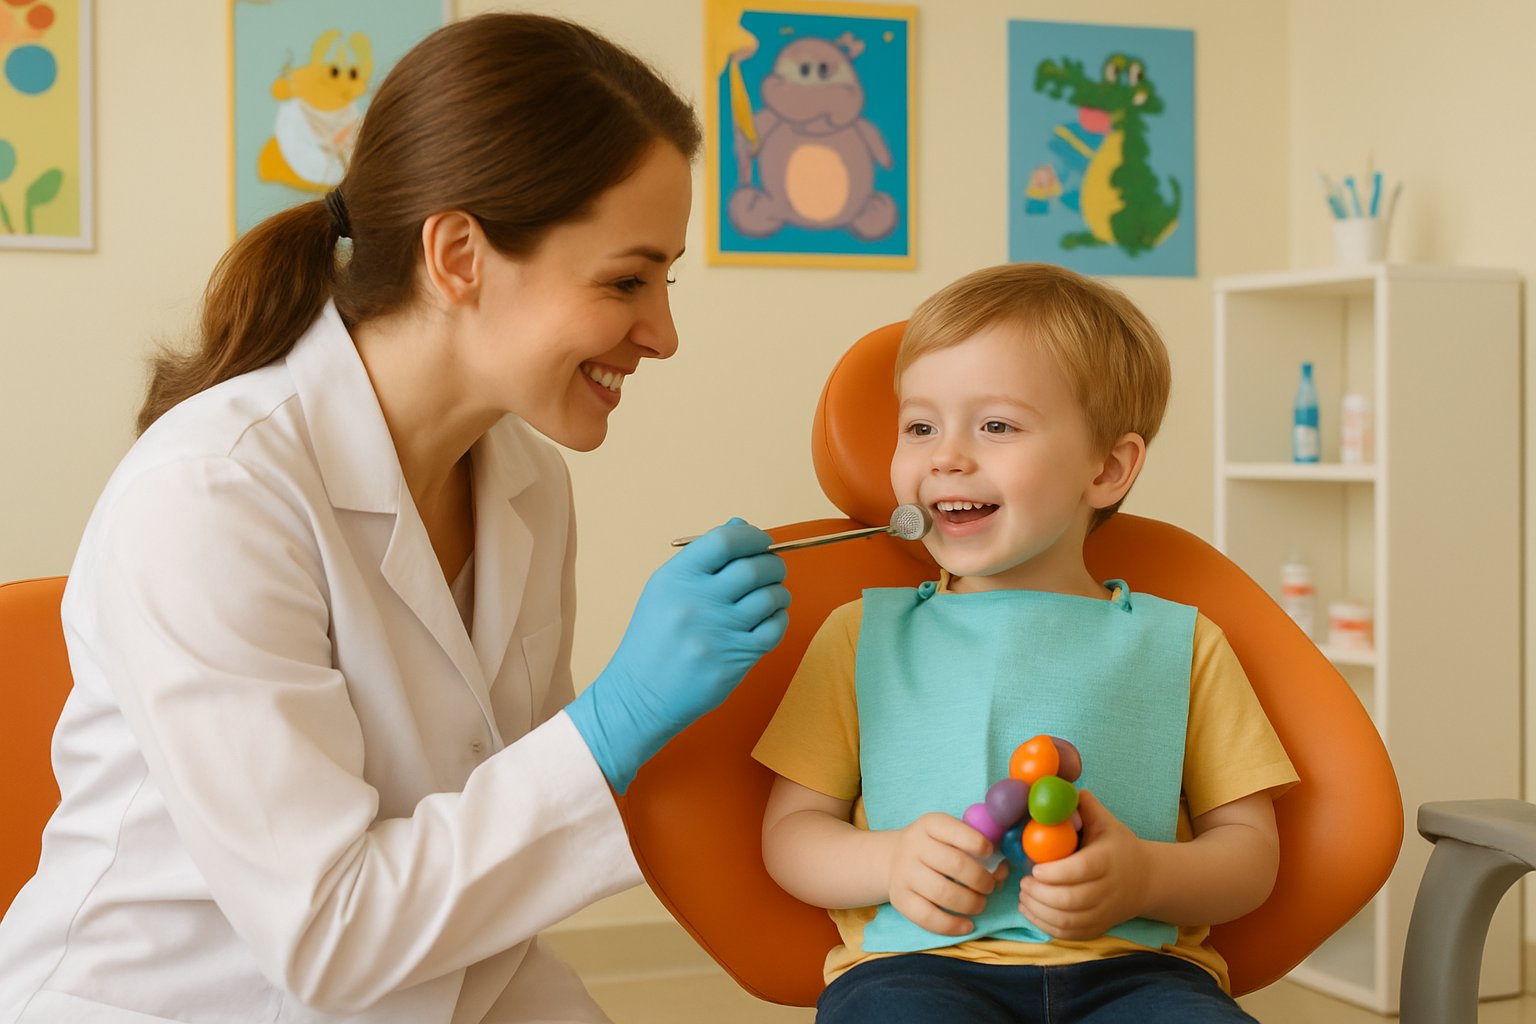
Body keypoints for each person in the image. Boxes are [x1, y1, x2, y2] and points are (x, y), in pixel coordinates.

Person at [0, 13, 790, 1024]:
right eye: (626, 280)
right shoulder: (213, 492)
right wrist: (612, 724)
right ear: (459, 253)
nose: (663, 333)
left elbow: (487, 861)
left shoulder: (527, 484)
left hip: (435, 987)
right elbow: (327, 933)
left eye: (665, 280)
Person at [753, 263, 1299, 1023]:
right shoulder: (860, 636)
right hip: (915, 973)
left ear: (1106, 468)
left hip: (1142, 978)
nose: (945, 456)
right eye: (919, 427)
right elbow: (790, 836)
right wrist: (891, 859)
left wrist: (1143, 877)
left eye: (996, 425)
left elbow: (1250, 857)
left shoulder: (1187, 645)